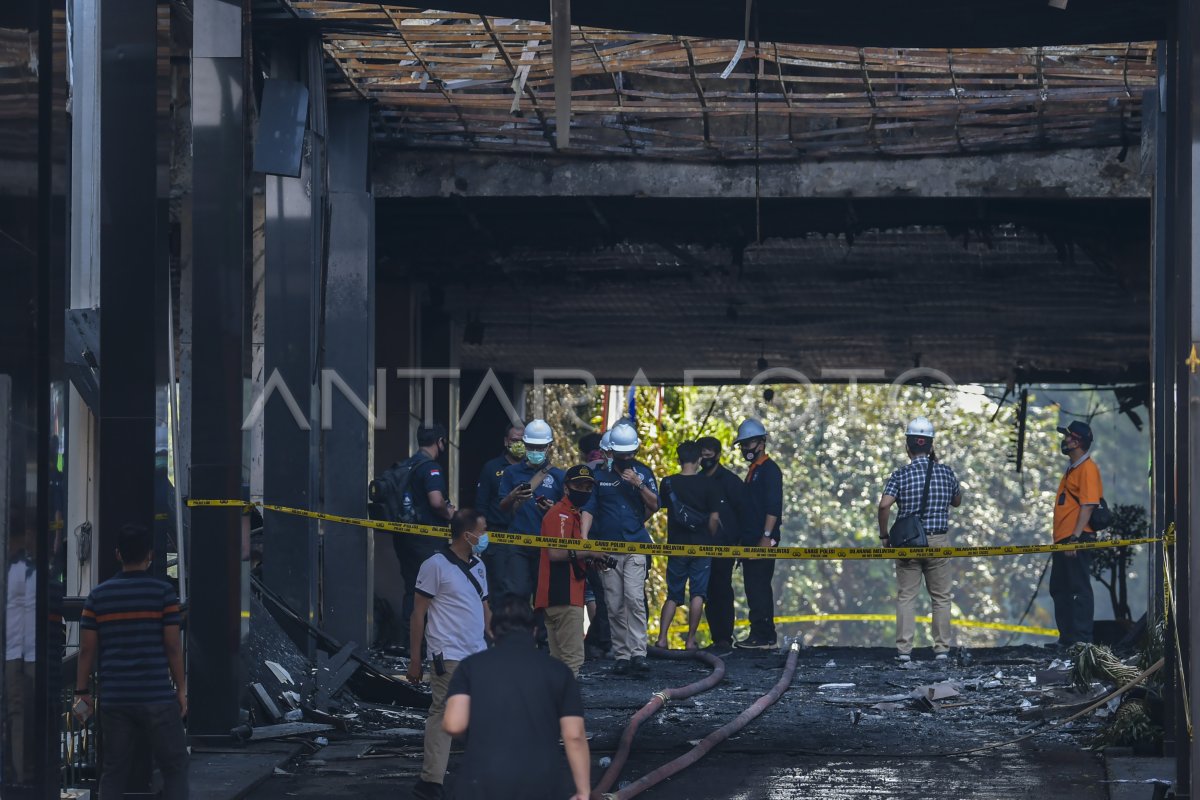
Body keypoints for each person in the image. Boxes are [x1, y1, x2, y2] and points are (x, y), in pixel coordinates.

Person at [74, 524, 188, 800]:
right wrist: (181, 689)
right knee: (174, 766)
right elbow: (172, 647)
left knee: (113, 770)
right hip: (156, 697)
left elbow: (87, 650)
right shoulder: (163, 594)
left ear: (117, 555)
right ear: (149, 555)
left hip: (115, 698)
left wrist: (81, 692)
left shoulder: (98, 596)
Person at [443, 596, 591, 800]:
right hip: (542, 783)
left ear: (492, 632)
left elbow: (453, 724)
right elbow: (574, 735)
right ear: (534, 632)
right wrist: (583, 791)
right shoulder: (559, 671)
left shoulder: (470, 667)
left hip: (481, 782)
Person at [407, 509, 493, 800]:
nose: (485, 537)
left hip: (477, 654)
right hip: (448, 655)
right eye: (482, 532)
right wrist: (416, 660)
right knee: (443, 715)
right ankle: (430, 782)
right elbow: (418, 614)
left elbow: (483, 606)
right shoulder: (435, 565)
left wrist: (496, 636)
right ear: (467, 534)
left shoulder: (479, 565)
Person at [877, 416, 963, 662]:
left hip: (909, 544)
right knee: (941, 597)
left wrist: (884, 535)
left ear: (908, 446)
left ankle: (904, 651)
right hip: (938, 543)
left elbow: (884, 506)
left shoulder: (900, 475)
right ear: (931, 445)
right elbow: (957, 502)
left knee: (906, 596)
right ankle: (942, 650)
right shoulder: (946, 473)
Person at [581, 419, 659, 676]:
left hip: (636, 547)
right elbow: (589, 509)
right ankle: (622, 654)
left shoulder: (644, 473)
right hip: (609, 550)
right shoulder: (599, 477)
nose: (625, 459)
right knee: (613, 603)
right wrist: (583, 539)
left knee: (634, 598)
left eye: (630, 455)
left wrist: (638, 484)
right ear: (610, 452)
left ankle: (639, 653)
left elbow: (655, 505)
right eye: (620, 455)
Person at [536, 465, 610, 675]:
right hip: (563, 594)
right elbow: (556, 553)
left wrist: (590, 559)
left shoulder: (572, 515)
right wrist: (589, 554)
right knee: (572, 659)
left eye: (588, 487)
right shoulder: (560, 514)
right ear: (567, 488)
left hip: (564, 595)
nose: (584, 491)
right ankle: (568, 705)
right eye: (579, 486)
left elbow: (569, 554)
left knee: (559, 661)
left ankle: (554, 705)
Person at [394, 423, 456, 647]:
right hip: (427, 542)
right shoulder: (431, 468)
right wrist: (451, 514)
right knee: (432, 593)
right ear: (440, 441)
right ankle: (426, 644)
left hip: (405, 539)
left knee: (412, 589)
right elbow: (436, 501)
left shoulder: (408, 465)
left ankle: (409, 644)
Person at [655, 442, 722, 651]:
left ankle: (662, 639)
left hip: (676, 546)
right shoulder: (709, 484)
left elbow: (664, 508)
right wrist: (710, 536)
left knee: (673, 594)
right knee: (698, 594)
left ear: (678, 459)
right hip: (702, 546)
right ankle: (691, 640)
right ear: (699, 460)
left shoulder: (668, 483)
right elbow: (714, 518)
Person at [495, 419, 566, 602]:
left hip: (546, 545)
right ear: (525, 445)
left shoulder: (559, 476)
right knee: (516, 592)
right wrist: (513, 496)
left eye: (540, 447)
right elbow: (501, 507)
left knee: (544, 597)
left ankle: (541, 631)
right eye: (532, 447)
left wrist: (553, 510)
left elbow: (568, 512)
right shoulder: (511, 473)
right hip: (518, 543)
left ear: (549, 446)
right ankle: (518, 630)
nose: (536, 451)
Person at [1050, 420, 1103, 648]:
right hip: (1064, 539)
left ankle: (1082, 641)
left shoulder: (1088, 468)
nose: (1065, 440)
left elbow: (1089, 504)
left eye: (1068, 436)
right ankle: (1068, 639)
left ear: (1077, 441)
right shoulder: (1073, 469)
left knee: (1079, 588)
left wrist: (1075, 538)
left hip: (1076, 538)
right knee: (1059, 588)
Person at [733, 418, 784, 650]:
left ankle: (764, 636)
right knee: (753, 587)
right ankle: (758, 634)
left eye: (749, 443)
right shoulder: (754, 471)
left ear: (762, 443)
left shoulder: (770, 471)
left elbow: (773, 507)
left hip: (762, 540)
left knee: (760, 586)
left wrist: (766, 536)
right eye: (743, 445)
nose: (746, 449)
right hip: (750, 539)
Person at [697, 436, 745, 653]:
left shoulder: (730, 481)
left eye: (710, 455)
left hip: (725, 546)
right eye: (702, 455)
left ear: (717, 455)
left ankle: (724, 637)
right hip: (699, 546)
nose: (706, 459)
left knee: (722, 590)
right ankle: (716, 638)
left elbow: (744, 512)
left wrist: (740, 542)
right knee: (705, 592)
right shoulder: (695, 480)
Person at [5, 524, 35, 785]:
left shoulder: (29, 569)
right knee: (18, 711)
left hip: (22, 650)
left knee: (21, 712)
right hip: (18, 650)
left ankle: (22, 772)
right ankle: (19, 772)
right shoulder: (21, 570)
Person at [473, 421, 526, 534]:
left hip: (526, 535)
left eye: (522, 441)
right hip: (497, 533)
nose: (519, 444)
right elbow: (481, 504)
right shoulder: (491, 467)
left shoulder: (535, 470)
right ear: (506, 441)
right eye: (514, 440)